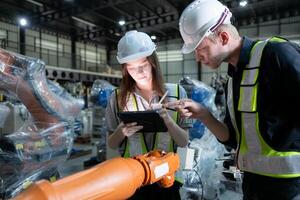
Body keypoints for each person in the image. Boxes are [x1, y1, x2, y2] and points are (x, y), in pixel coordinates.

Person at [165, 0, 300, 199]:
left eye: (200, 48)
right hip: (253, 186)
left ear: (223, 37)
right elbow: (232, 138)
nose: (197, 58)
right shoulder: (233, 79)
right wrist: (202, 113)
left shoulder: (277, 55)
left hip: (290, 188)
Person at [105, 30, 191, 200]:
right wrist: (120, 132)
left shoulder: (176, 93)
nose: (139, 72)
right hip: (134, 179)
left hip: (167, 178)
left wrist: (168, 120)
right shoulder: (117, 97)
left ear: (152, 62)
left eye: (143, 65)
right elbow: (111, 144)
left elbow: (183, 141)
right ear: (125, 69)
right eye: (131, 67)